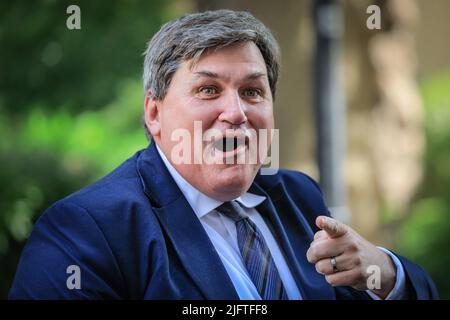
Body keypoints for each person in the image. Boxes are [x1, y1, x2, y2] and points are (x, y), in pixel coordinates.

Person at [9, 9, 438, 300]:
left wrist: (383, 271)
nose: (236, 113)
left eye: (252, 91)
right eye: (208, 89)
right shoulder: (86, 230)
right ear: (154, 113)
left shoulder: (298, 197)